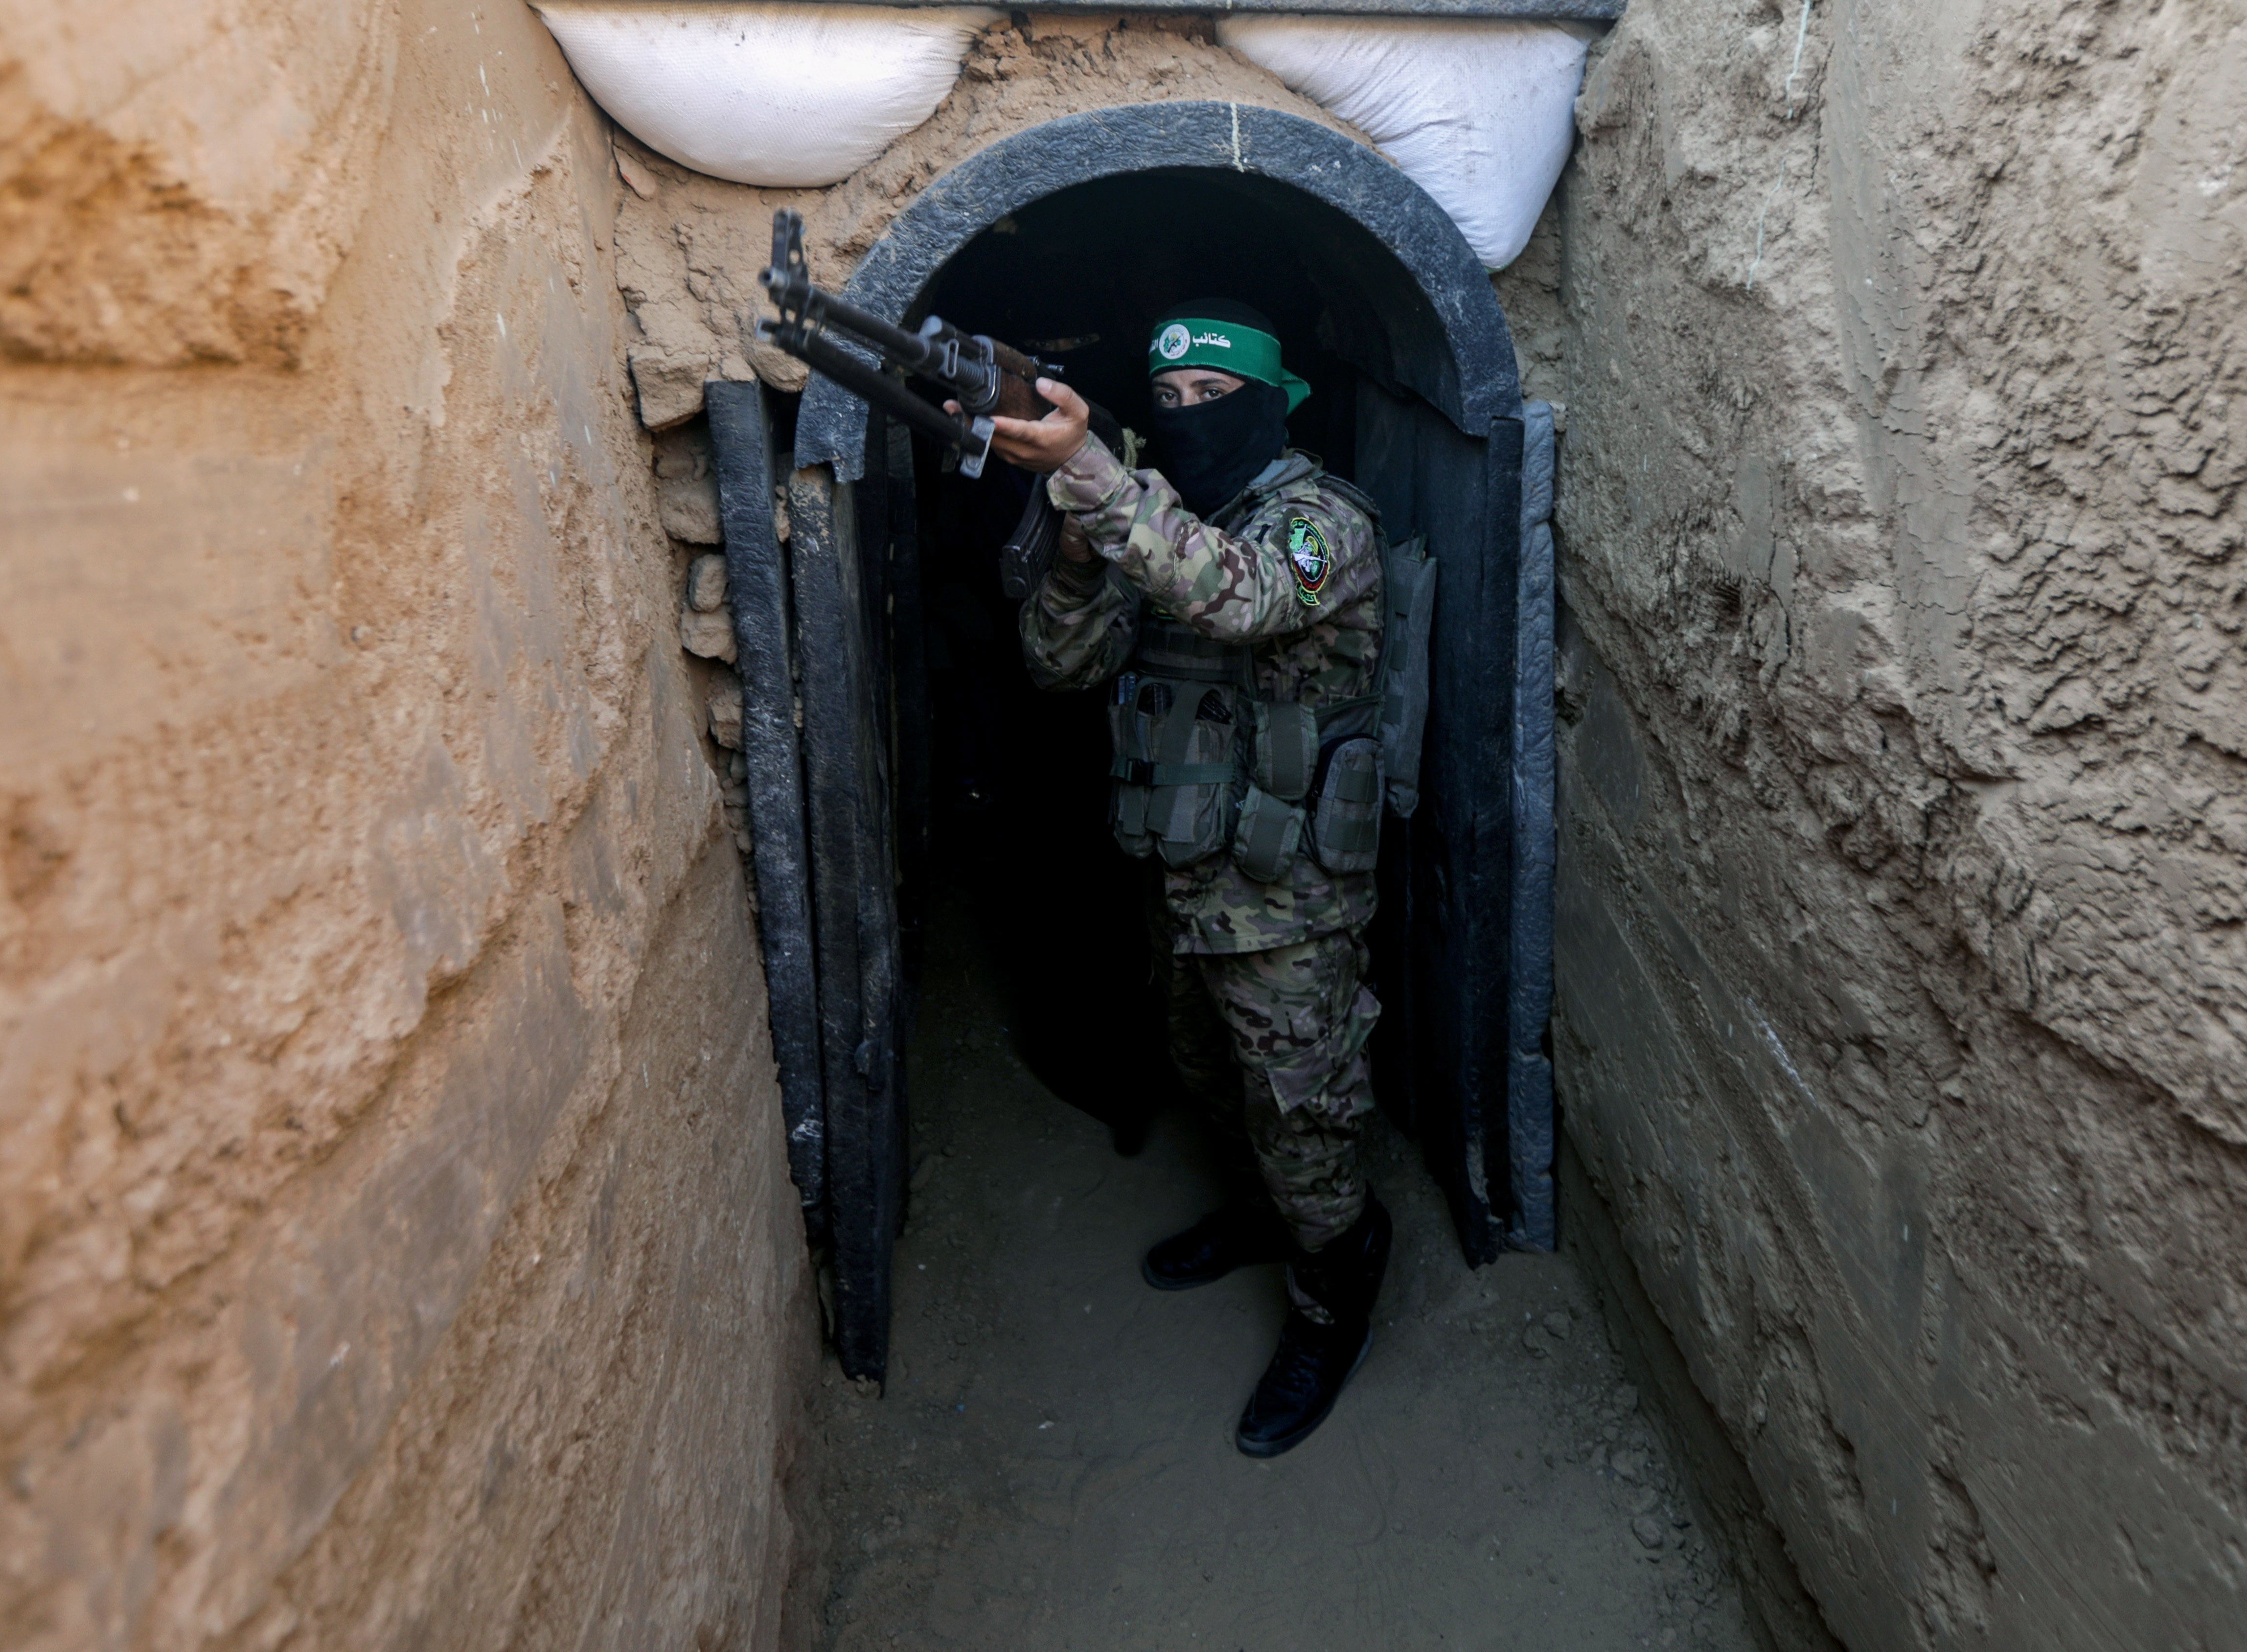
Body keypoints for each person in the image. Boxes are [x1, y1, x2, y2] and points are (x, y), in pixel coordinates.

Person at [969, 301, 1391, 1458]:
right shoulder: (1156, 520)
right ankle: (1268, 1217)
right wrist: (1071, 546)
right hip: (1184, 874)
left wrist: (1101, 479)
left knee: (1306, 1112)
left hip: (1290, 892)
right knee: (1212, 1073)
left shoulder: (1318, 522)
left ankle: (1333, 1292)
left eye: (1216, 398)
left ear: (1274, 400)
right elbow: (1062, 665)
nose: (1190, 421)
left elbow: (1241, 597)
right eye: (1171, 403)